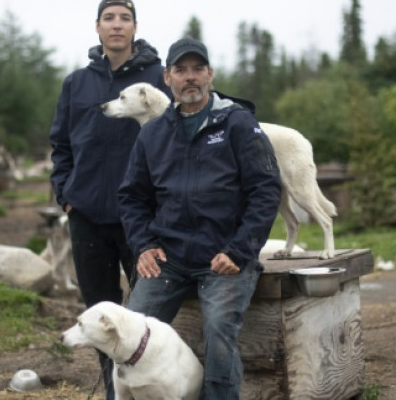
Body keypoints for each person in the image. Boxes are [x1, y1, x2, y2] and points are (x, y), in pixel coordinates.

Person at [118, 37, 282, 399]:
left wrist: (239, 251)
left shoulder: (238, 123)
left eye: (197, 69)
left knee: (219, 328)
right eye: (180, 70)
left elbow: (266, 189)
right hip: (169, 258)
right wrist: (144, 245)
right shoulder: (153, 134)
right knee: (130, 329)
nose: (189, 77)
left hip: (224, 256)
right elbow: (131, 196)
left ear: (210, 74)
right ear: (167, 78)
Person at [49, 0, 170, 400]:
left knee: (147, 312)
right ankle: (113, 393)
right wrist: (65, 195)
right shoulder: (77, 84)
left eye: (124, 18)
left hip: (141, 219)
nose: (116, 24)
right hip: (86, 215)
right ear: (97, 27)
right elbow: (60, 145)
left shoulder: (158, 78)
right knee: (100, 313)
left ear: (135, 28)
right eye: (108, 18)